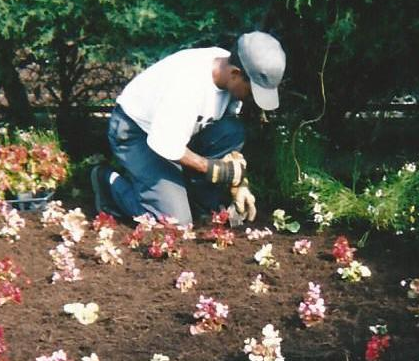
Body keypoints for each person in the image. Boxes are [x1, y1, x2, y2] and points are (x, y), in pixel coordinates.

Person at [91, 31, 286, 225]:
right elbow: (165, 145)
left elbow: (226, 125)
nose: (252, 98)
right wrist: (214, 169)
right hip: (136, 133)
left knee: (232, 132)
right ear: (235, 73)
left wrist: (239, 182)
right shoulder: (188, 85)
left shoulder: (228, 71)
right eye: (252, 91)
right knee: (174, 223)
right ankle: (108, 182)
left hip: (176, 132)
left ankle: (196, 201)